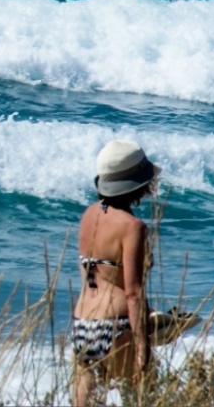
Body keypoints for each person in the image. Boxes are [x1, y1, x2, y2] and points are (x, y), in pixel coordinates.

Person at [71, 140, 159, 407]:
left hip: (83, 322)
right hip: (117, 323)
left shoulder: (88, 215)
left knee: (84, 402)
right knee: (144, 394)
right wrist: (142, 344)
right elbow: (132, 292)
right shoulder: (133, 226)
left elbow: (92, 272)